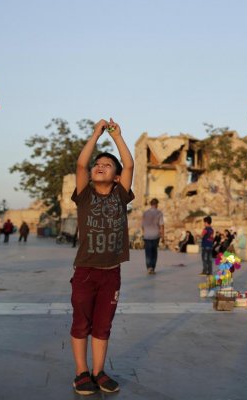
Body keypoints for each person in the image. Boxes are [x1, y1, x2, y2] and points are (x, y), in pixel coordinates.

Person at [69, 118, 134, 395]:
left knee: (103, 325)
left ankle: (99, 371)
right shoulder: (84, 195)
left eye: (107, 165)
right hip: (85, 271)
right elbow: (81, 164)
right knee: (81, 322)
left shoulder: (120, 195)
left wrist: (117, 136)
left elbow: (129, 164)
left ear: (117, 177)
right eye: (98, 164)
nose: (99, 166)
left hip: (111, 272)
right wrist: (97, 134)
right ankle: (81, 372)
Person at [141, 198, 164, 274]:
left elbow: (142, 225)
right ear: (156, 204)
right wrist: (162, 236)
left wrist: (144, 233)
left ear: (151, 204)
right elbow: (161, 225)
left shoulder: (145, 213)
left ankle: (149, 268)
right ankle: (153, 268)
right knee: (154, 252)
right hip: (155, 235)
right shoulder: (159, 213)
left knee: (148, 252)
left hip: (147, 235)